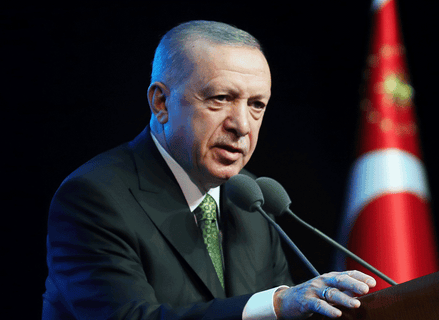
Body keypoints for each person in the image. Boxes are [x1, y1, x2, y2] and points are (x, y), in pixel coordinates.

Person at [42, 20, 375, 320]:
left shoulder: (251, 200)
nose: (242, 125)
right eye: (220, 98)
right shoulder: (94, 197)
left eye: (256, 104)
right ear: (161, 103)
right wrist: (274, 305)